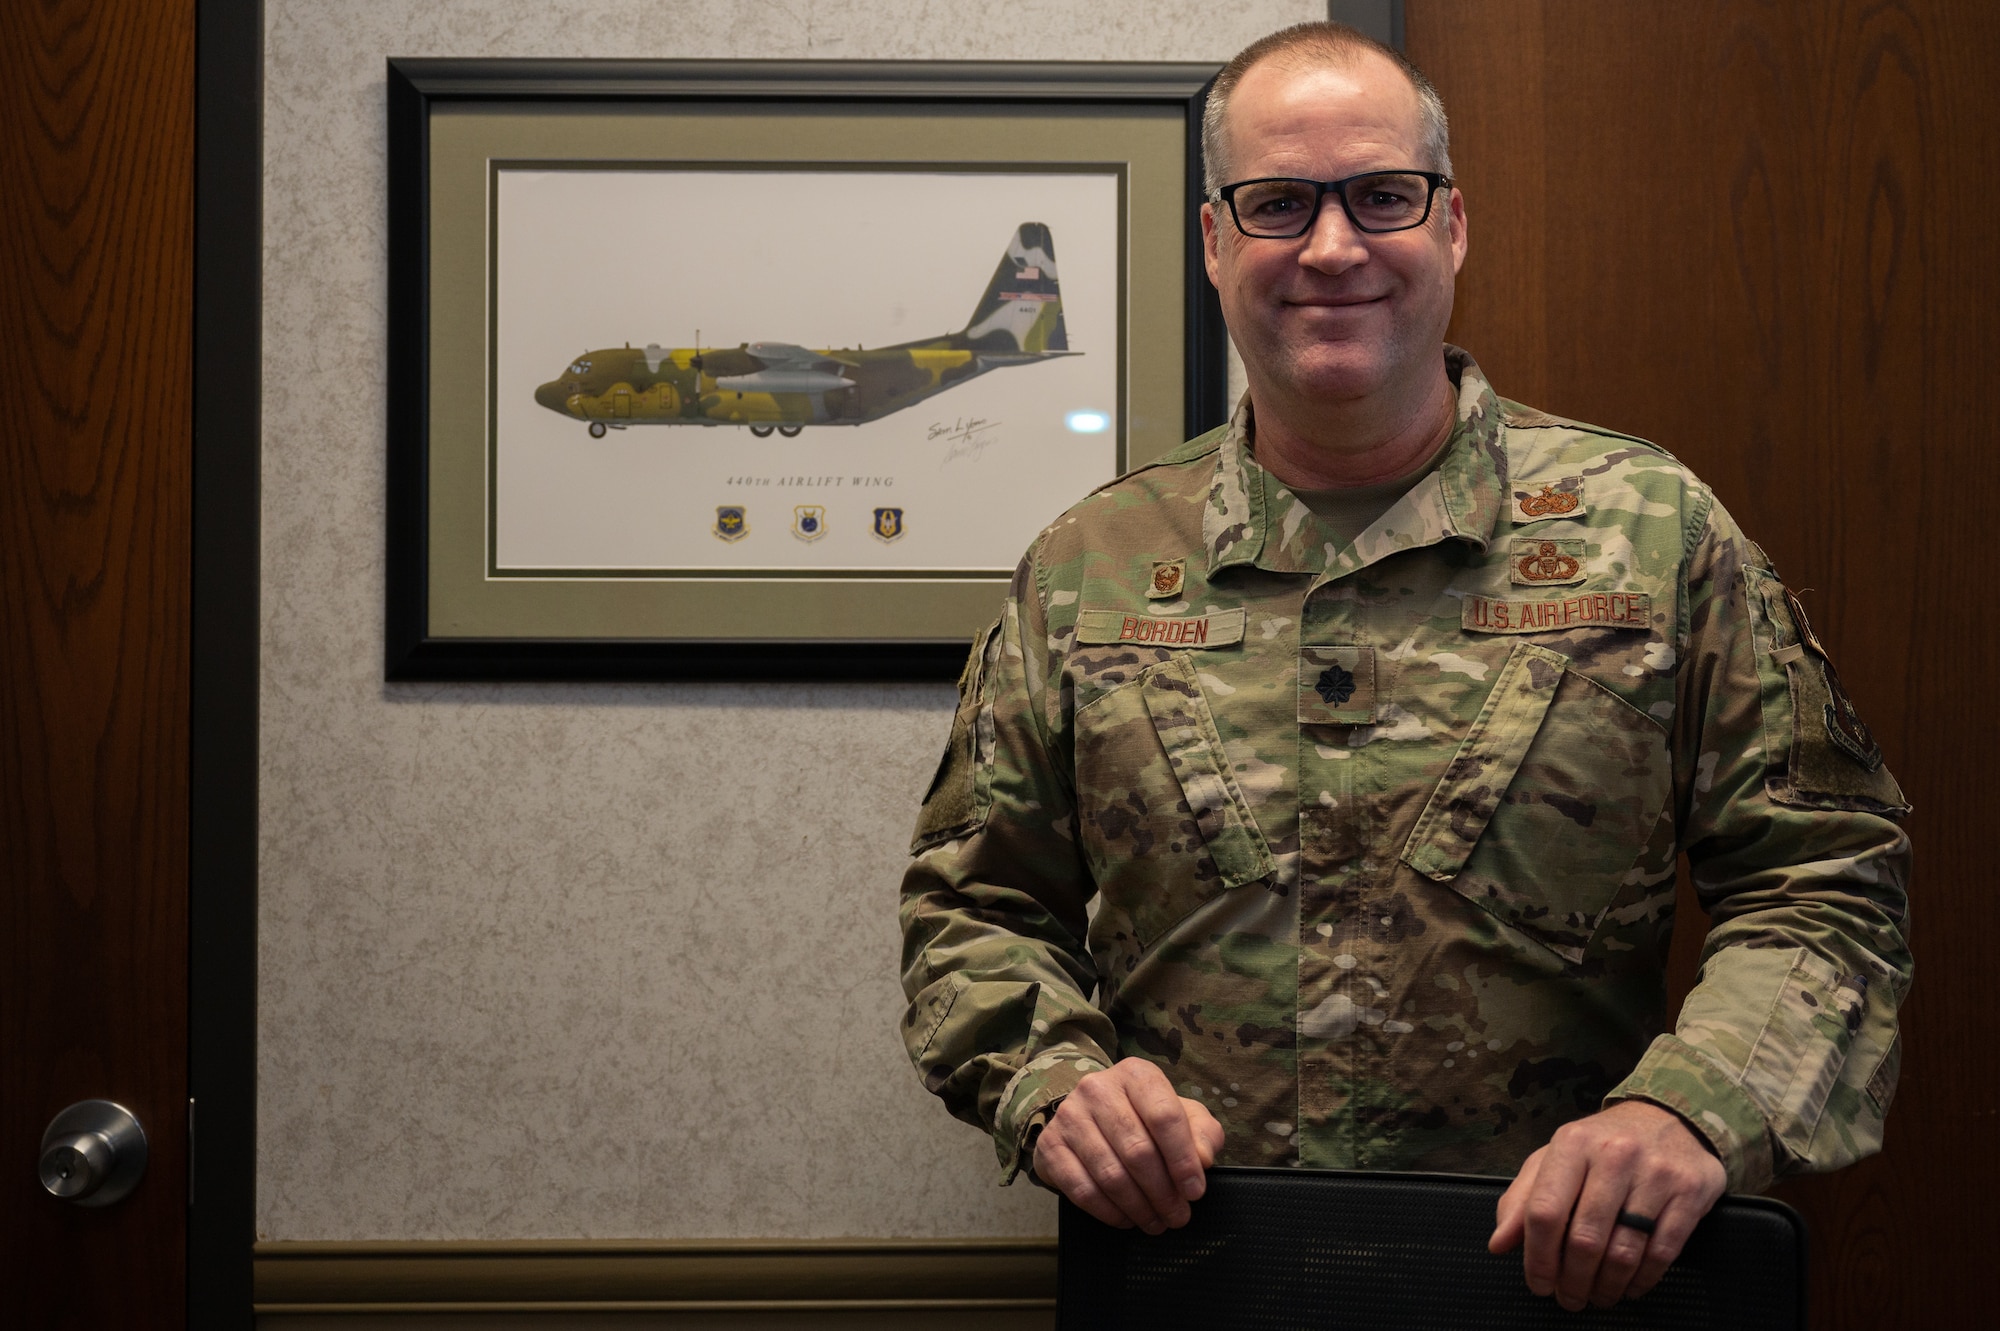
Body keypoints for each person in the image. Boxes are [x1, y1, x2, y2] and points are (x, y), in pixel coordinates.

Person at [898, 20, 1910, 1314]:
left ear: (1453, 227)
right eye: (1278, 204)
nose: (1333, 248)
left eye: (1384, 195)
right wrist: (1051, 1079)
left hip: (1563, 1283)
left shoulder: (1648, 531)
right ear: (1216, 242)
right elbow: (974, 907)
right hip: (1204, 1275)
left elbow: (1825, 874)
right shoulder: (1088, 567)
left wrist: (1698, 1108)